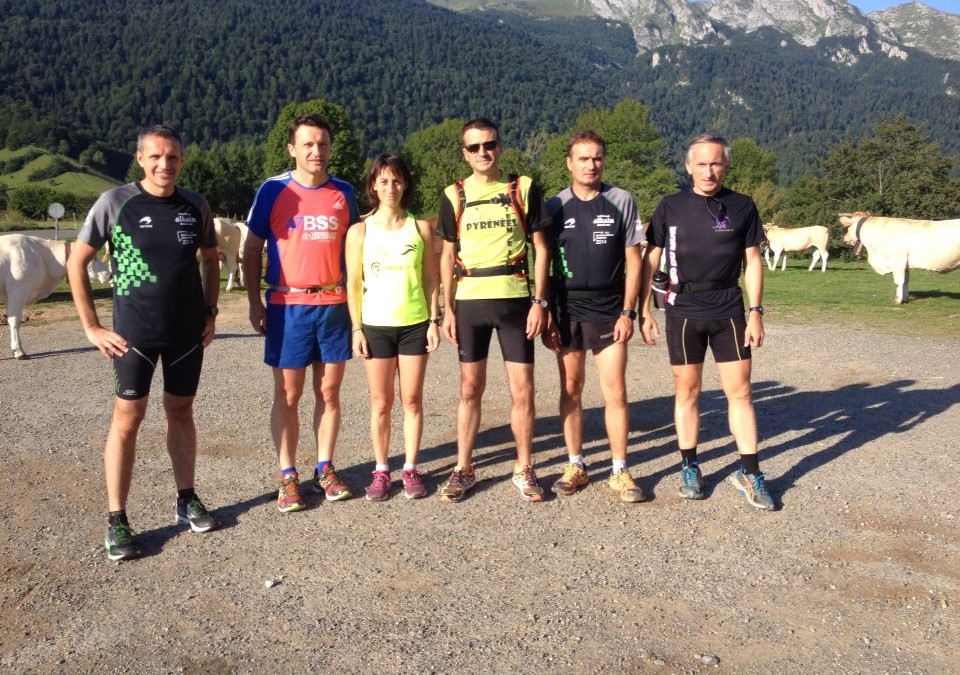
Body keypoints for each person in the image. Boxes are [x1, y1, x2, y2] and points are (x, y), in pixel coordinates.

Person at [67, 124, 220, 561]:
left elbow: (210, 259)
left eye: (172, 157)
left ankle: (186, 497)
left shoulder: (196, 205)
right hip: (132, 335)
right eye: (155, 157)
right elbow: (77, 262)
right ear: (140, 159)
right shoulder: (115, 202)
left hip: (187, 334)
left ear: (182, 161)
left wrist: (210, 313)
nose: (164, 165)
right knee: (127, 420)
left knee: (181, 411)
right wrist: (92, 327)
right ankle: (117, 518)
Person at [639, 133, 773, 511]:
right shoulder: (670, 206)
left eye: (715, 163)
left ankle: (750, 472)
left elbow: (753, 262)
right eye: (701, 163)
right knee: (687, 392)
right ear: (688, 167)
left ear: (726, 165)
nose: (708, 170)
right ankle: (689, 466)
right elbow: (652, 258)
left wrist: (756, 311)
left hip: (729, 307)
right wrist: (642, 308)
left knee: (741, 392)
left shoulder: (743, 206)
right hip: (683, 309)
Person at [243, 114, 361, 513]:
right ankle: (287, 474)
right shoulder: (274, 190)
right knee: (288, 394)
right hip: (287, 305)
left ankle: (325, 467)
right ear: (292, 148)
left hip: (332, 305)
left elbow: (357, 250)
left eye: (322, 143)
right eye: (307, 144)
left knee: (328, 392)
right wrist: (254, 302)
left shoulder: (344, 193)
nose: (316, 151)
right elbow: (250, 248)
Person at [437, 117, 552, 503]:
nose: (483, 153)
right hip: (470, 301)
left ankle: (524, 466)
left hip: (516, 300)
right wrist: (447, 309)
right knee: (470, 388)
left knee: (523, 390)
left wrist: (540, 301)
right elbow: (447, 254)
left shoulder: (524, 188)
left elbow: (542, 248)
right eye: (474, 148)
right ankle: (463, 467)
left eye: (489, 145)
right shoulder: (453, 195)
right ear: (464, 153)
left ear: (500, 146)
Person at [542, 130, 646, 503]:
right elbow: (544, 263)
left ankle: (620, 470)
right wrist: (548, 313)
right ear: (569, 163)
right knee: (570, 389)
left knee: (614, 390)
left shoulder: (621, 200)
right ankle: (576, 465)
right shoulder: (554, 206)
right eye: (583, 158)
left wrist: (628, 311)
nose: (591, 164)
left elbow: (635, 261)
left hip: (609, 309)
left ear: (604, 160)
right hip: (567, 310)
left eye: (597, 157)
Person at [345, 154, 441, 500]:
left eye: (397, 181)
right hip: (376, 327)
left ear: (406, 185)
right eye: (383, 181)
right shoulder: (359, 230)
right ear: (373, 186)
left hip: (415, 324)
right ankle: (382, 470)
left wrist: (434, 321)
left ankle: (411, 468)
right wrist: (356, 329)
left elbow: (431, 279)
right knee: (380, 403)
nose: (390, 188)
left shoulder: (421, 228)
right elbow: (353, 285)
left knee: (412, 400)